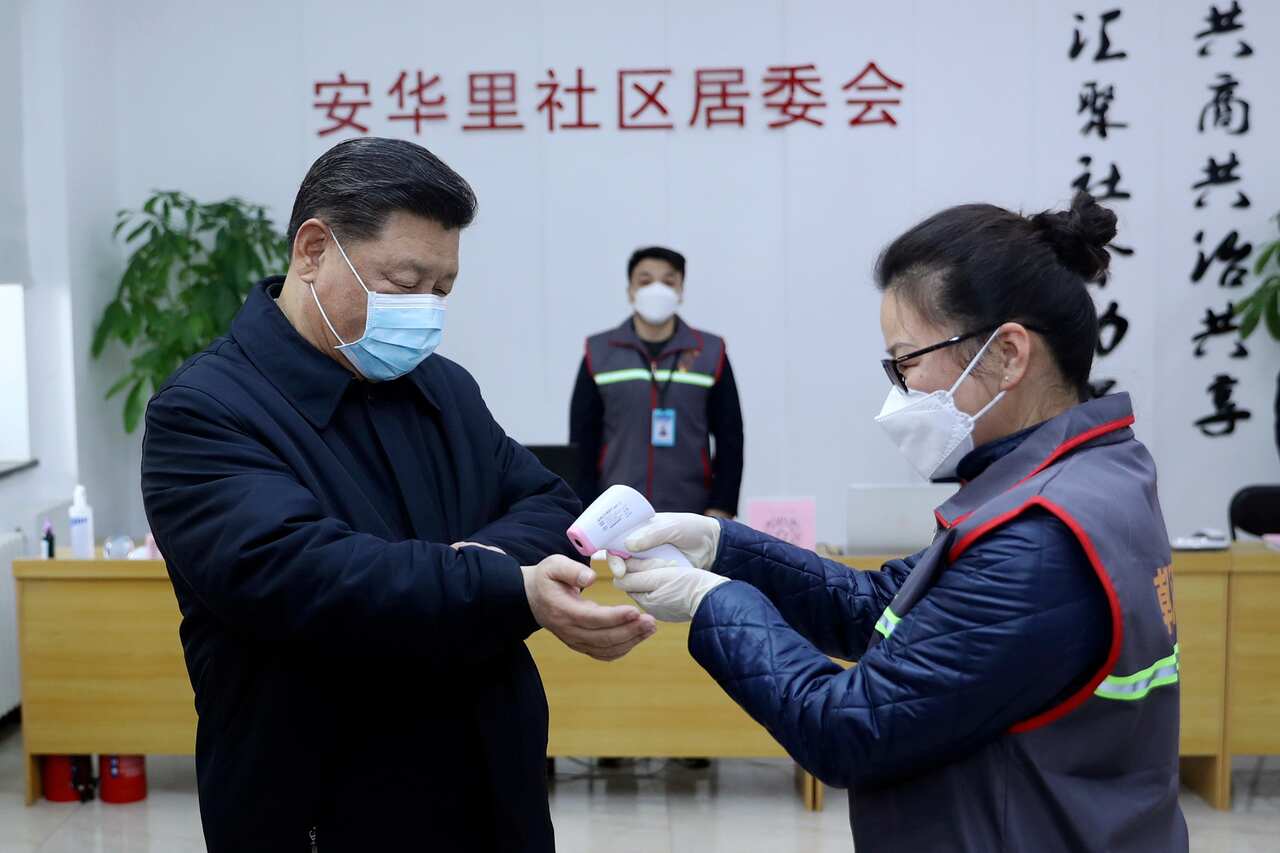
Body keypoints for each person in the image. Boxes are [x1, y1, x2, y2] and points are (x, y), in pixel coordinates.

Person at [611, 192, 1188, 852]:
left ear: (1007, 354)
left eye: (907, 361)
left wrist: (718, 602)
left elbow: (849, 728)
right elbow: (885, 606)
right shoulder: (1082, 476)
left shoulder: (1038, 539)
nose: (900, 390)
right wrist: (724, 547)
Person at [140, 138, 656, 853]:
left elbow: (546, 503)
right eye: (404, 281)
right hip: (325, 807)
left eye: (442, 290)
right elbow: (309, 575)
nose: (425, 310)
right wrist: (500, 583)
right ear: (313, 250)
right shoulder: (204, 412)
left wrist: (474, 570)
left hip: (492, 795)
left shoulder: (442, 387)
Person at [570, 246, 743, 519]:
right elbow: (582, 442)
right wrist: (586, 507)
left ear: (681, 290)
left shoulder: (710, 352)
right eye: (646, 281)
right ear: (630, 290)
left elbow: (730, 437)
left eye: (668, 281)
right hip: (615, 512)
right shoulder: (599, 352)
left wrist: (722, 505)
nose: (657, 289)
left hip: (692, 513)